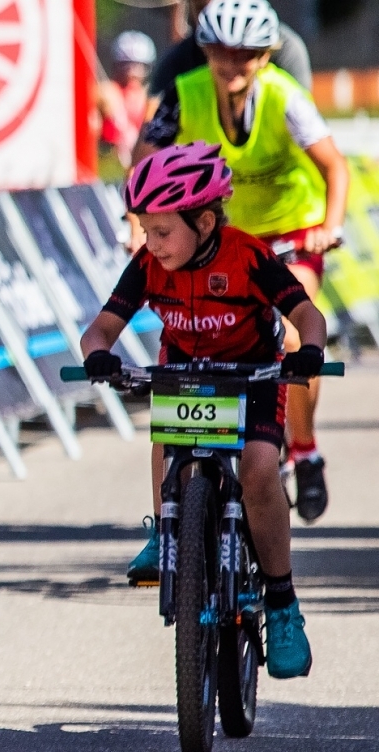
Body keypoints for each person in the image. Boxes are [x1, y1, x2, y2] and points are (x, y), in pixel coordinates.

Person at [83, 143, 324, 678]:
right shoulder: (148, 264)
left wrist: (307, 350)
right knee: (167, 437)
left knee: (258, 471)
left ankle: (282, 603)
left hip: (252, 373)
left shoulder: (248, 256)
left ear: (206, 221)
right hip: (186, 373)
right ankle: (164, 534)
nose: (151, 244)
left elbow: (309, 315)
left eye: (162, 232)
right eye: (145, 231)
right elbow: (99, 328)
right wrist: (99, 355)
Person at [136, 0, 344, 522]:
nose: (234, 64)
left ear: (266, 56)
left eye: (247, 55)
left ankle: (304, 450)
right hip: (225, 236)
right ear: (204, 51)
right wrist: (137, 221)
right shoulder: (184, 94)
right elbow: (144, 159)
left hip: (292, 230)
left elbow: (333, 166)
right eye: (222, 53)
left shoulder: (285, 96)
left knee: (292, 335)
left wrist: (331, 225)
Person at [148, 0, 311, 101]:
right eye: (201, 8)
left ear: (264, 56)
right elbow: (151, 134)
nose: (229, 63)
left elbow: (308, 129)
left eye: (245, 55)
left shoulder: (286, 50)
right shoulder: (176, 64)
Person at [100, 31, 156, 167]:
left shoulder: (151, 98)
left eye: (138, 66)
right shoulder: (106, 92)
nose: (132, 71)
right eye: (126, 66)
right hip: (109, 164)